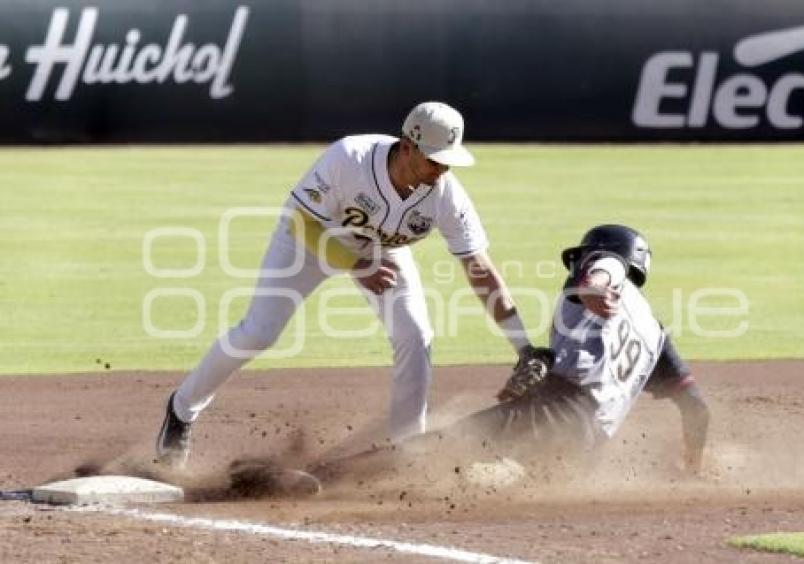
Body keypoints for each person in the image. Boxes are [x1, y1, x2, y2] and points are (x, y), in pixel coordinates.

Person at [156, 101, 544, 468]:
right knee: (258, 332)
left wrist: (523, 346)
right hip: (308, 242)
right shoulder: (350, 158)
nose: (441, 170)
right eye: (434, 160)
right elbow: (300, 222)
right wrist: (355, 264)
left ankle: (408, 451)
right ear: (408, 146)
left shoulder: (446, 196)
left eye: (448, 162)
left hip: (378, 252)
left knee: (415, 334)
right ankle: (182, 408)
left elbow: (479, 267)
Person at [307, 224, 710, 486]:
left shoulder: (605, 265)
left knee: (440, 446)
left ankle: (319, 479)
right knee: (476, 478)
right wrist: (692, 467)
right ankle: (490, 474)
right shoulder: (656, 335)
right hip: (587, 450)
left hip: (559, 410)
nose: (579, 265)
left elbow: (604, 271)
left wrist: (592, 283)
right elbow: (696, 406)